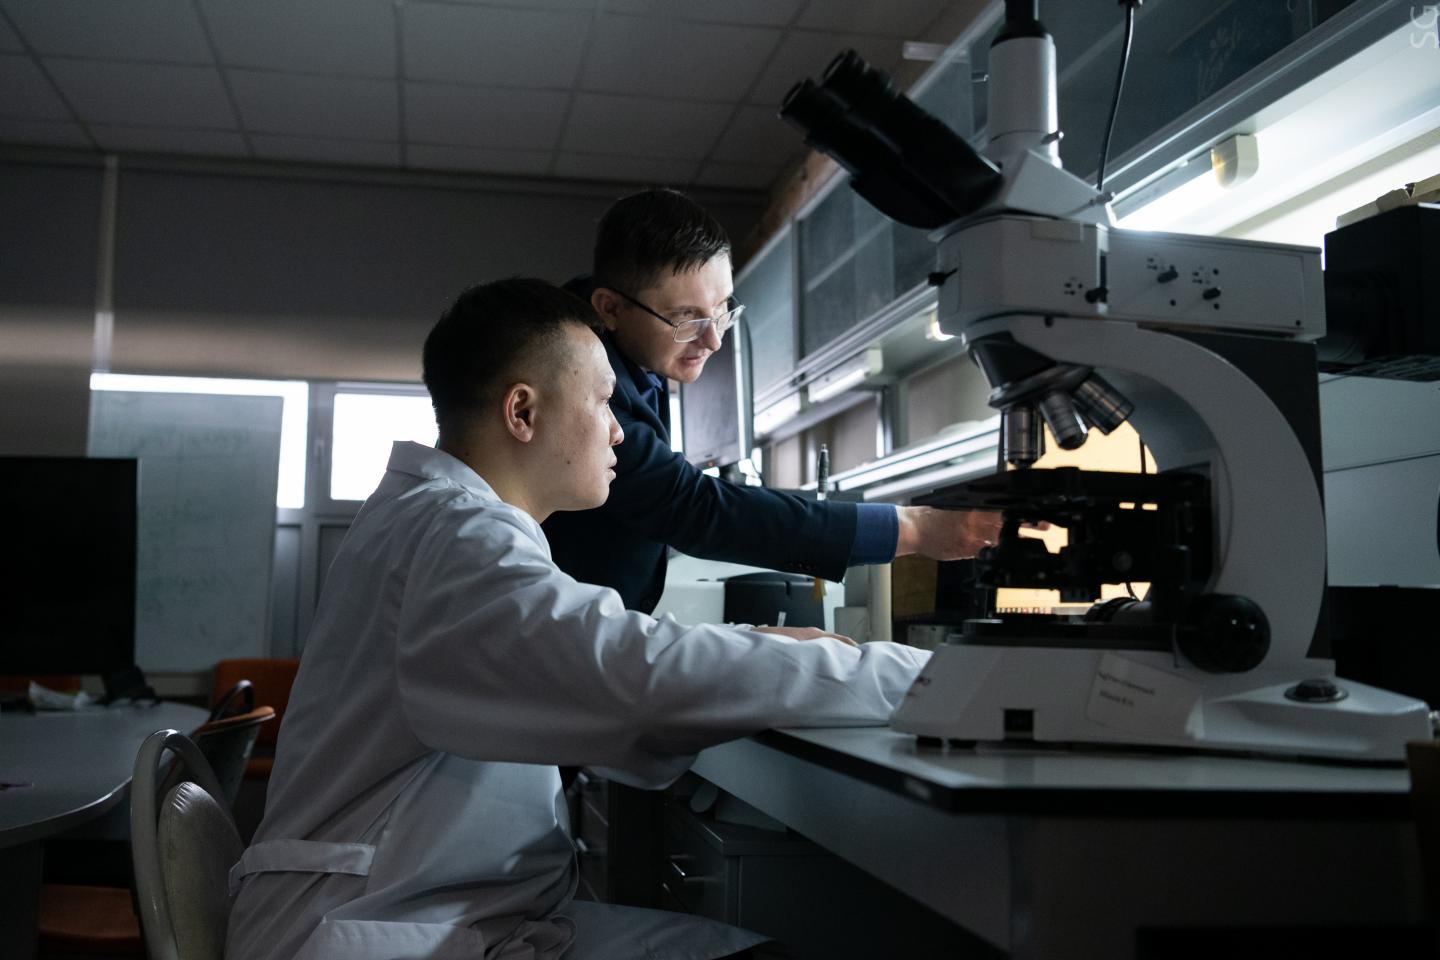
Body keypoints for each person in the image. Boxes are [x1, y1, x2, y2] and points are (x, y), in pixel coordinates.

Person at [224, 278, 931, 960]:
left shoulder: (437, 524)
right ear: (523, 413)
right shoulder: (455, 539)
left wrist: (753, 642)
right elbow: (632, 675)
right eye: (602, 402)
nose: (621, 431)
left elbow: (597, 655)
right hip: (376, 925)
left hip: (425, 913)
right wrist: (925, 680)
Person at [543, 188, 1000, 615]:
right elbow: (691, 508)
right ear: (609, 309)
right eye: (686, 319)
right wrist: (913, 528)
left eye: (722, 310)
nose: (714, 340)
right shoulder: (579, 380)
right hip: (564, 634)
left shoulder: (628, 336)